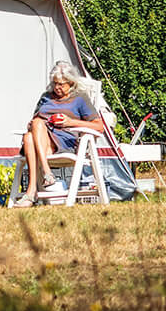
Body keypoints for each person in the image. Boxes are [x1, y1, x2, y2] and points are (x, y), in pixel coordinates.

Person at [16, 61, 104, 207]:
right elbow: (33, 121)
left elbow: (99, 126)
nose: (57, 88)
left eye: (61, 84)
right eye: (55, 83)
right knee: (31, 132)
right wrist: (31, 124)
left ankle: (33, 190)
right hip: (43, 142)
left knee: (33, 131)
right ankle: (42, 179)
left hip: (64, 142)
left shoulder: (80, 99)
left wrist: (71, 122)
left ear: (71, 83)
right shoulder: (46, 97)